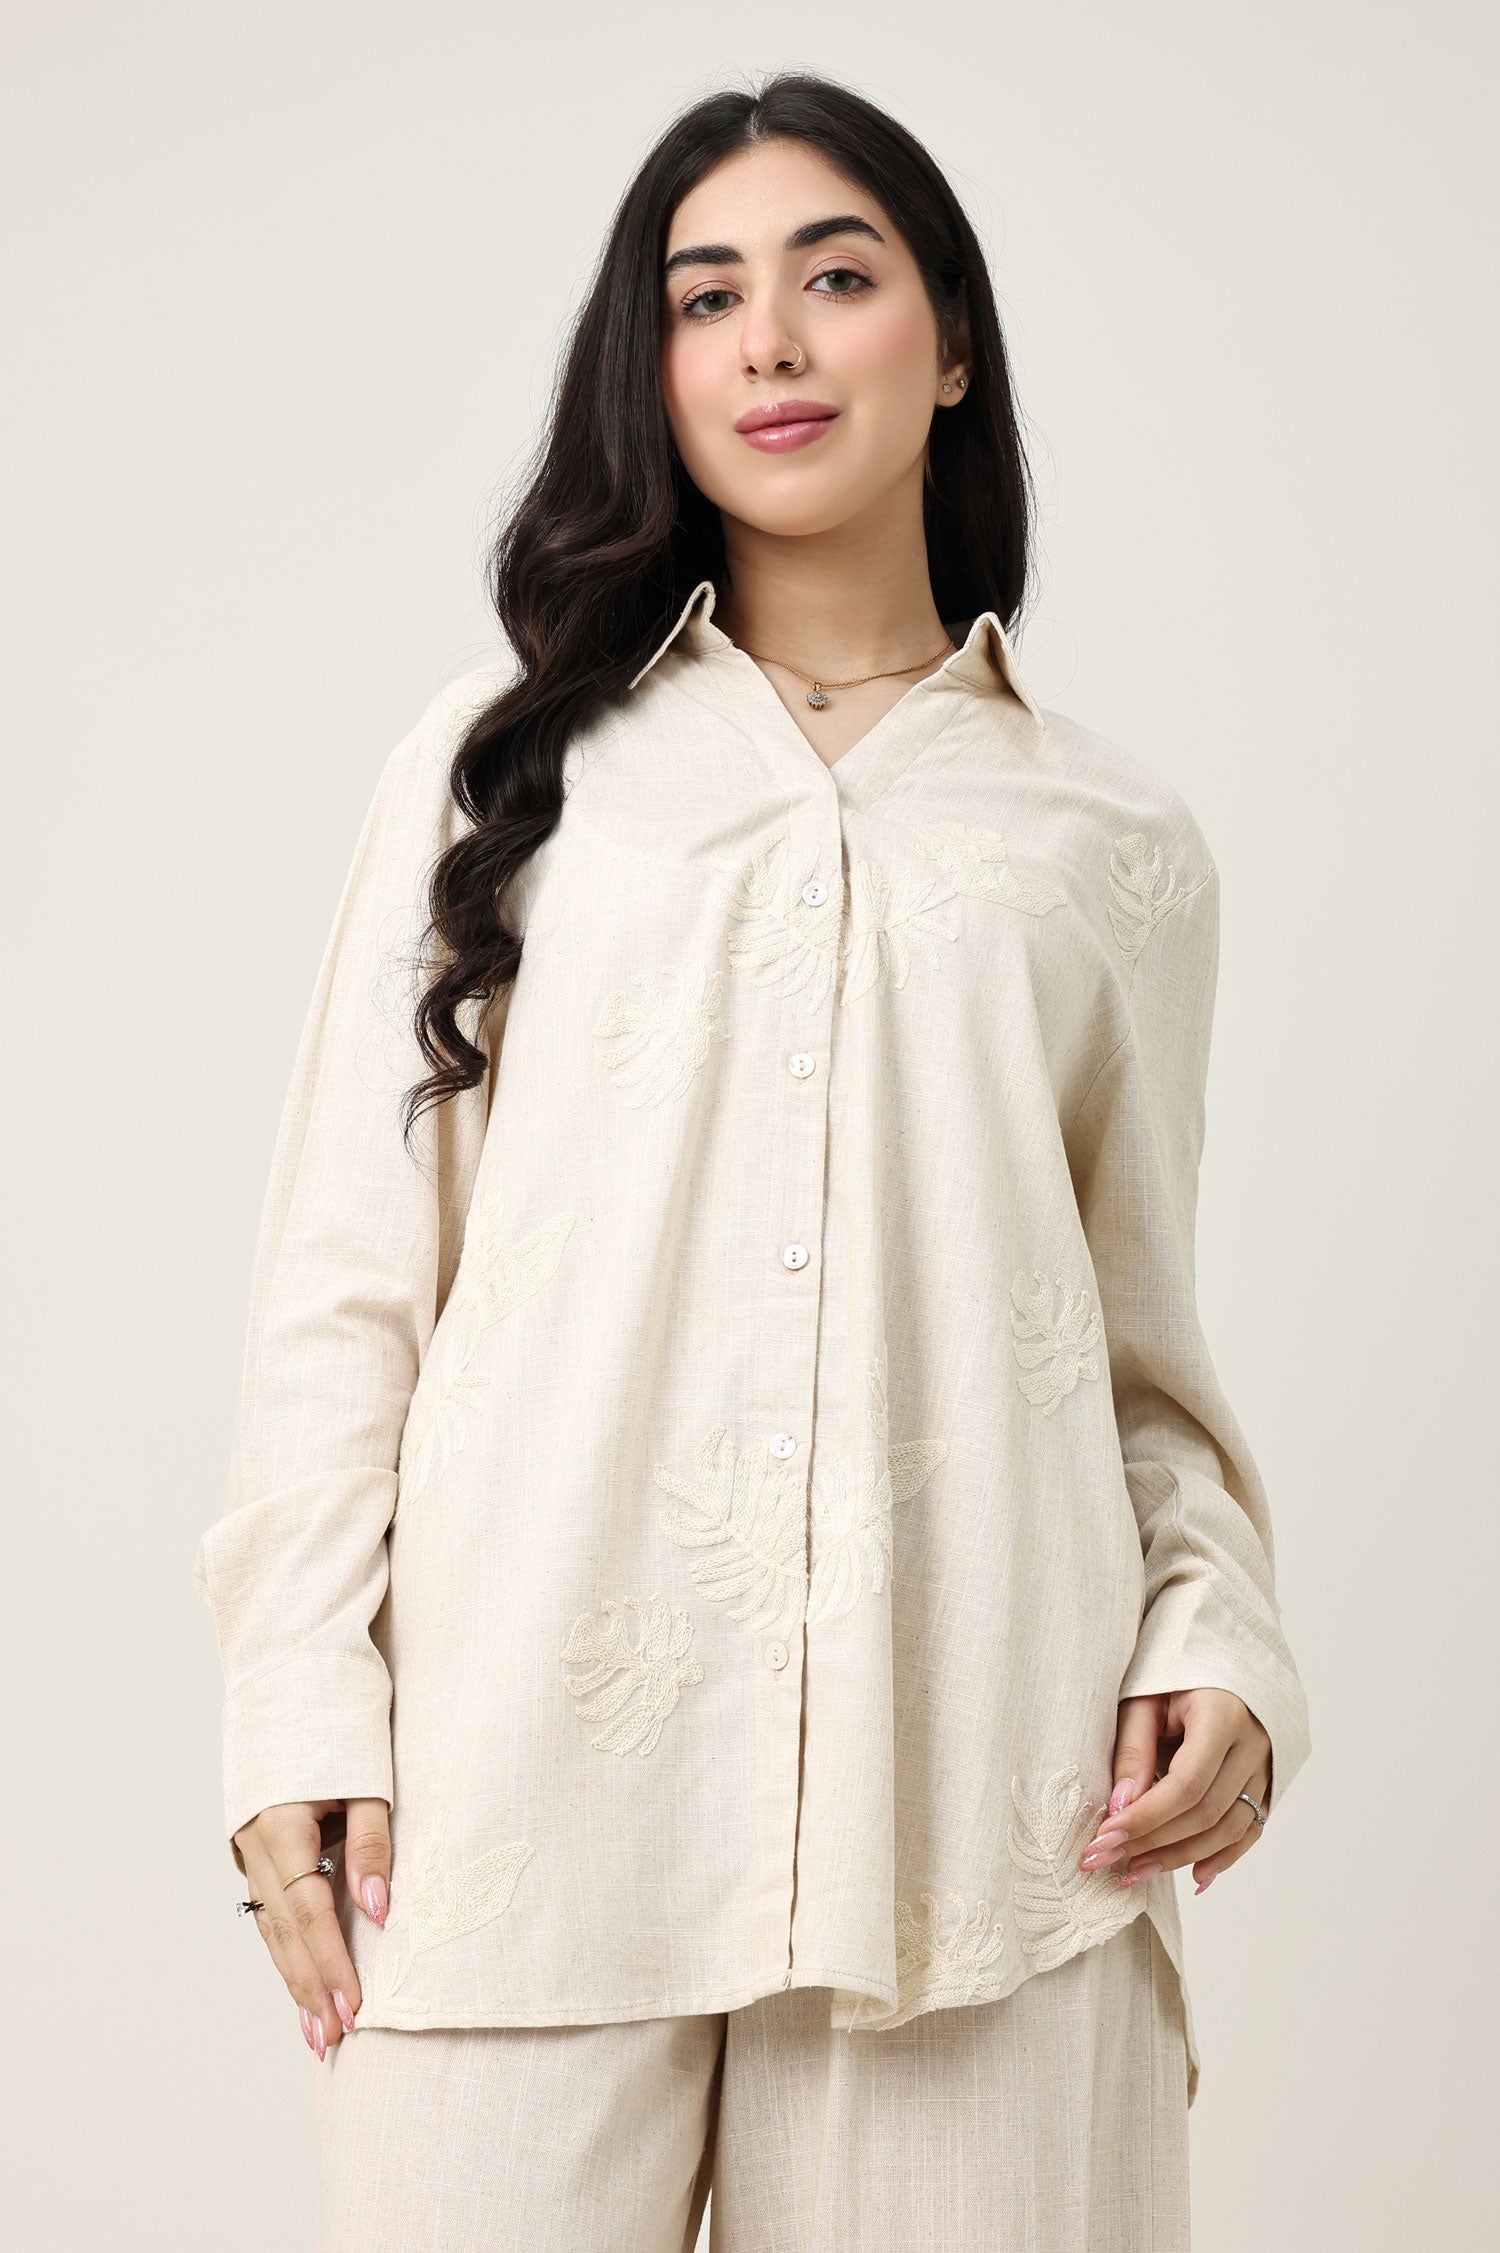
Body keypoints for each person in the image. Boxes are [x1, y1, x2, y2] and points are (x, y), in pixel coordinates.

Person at [194, 69, 1312, 2253]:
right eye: (706, 297)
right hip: (514, 1794)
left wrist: (1227, 1642)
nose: (772, 341)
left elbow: (1136, 1353)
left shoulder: (1114, 842)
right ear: (656, 366)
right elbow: (348, 1271)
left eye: (836, 277)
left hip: (984, 1814)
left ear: (951, 338)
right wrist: (295, 1700)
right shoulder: (501, 764)